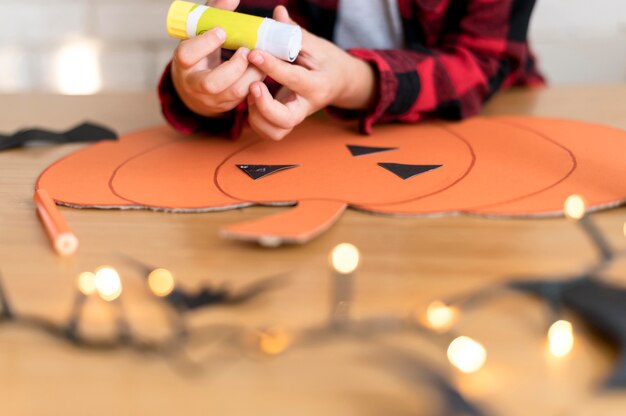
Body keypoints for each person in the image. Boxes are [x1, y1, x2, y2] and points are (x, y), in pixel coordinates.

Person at [159, 0, 543, 141]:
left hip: (496, 119)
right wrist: (202, 94)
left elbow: (479, 61)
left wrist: (355, 79)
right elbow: (248, 54)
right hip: (322, 135)